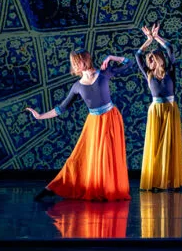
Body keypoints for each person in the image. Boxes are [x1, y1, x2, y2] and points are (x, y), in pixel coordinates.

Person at [26, 50, 133, 201]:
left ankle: (108, 189)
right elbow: (61, 108)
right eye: (73, 63)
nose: (75, 66)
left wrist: (110, 57)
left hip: (111, 118)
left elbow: (130, 63)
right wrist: (40, 116)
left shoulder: (103, 74)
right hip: (94, 122)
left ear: (86, 60)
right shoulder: (77, 86)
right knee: (80, 156)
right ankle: (54, 186)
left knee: (107, 155)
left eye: (77, 62)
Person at [136, 22, 182, 191]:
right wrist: (148, 40)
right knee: (156, 145)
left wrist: (157, 37)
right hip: (156, 111)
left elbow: (170, 48)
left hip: (170, 109)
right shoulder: (148, 74)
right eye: (149, 60)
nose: (150, 62)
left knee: (169, 145)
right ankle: (156, 179)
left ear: (158, 60)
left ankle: (169, 179)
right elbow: (137, 55)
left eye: (152, 59)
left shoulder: (170, 70)